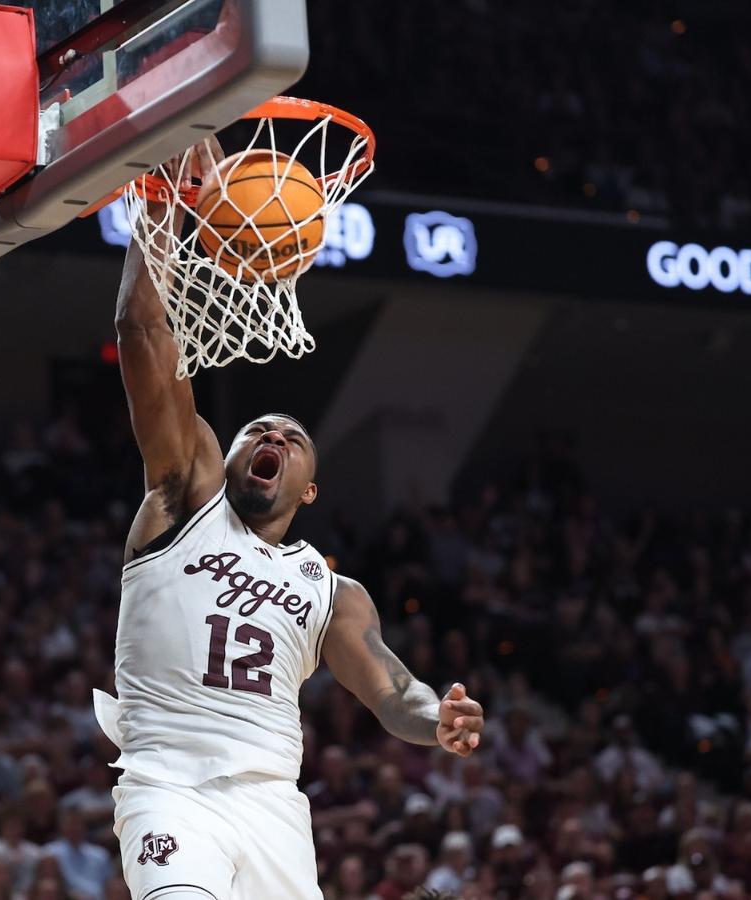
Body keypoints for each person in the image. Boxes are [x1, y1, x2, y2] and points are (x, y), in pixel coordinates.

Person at [93, 156, 486, 900]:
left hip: (272, 804)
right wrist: (159, 202)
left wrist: (439, 716)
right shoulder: (183, 498)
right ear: (226, 455)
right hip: (168, 781)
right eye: (256, 431)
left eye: (291, 436)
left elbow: (393, 693)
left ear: (308, 489)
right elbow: (141, 330)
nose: (271, 434)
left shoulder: (334, 593)